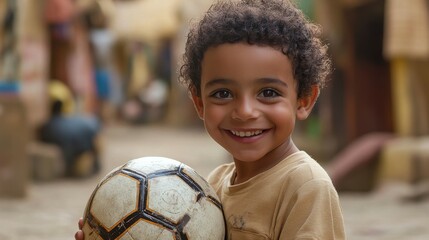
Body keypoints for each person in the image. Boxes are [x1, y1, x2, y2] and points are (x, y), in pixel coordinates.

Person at [75, 0, 345, 239]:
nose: (245, 111)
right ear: (199, 103)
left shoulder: (306, 187)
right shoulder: (208, 187)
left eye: (268, 92)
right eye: (223, 93)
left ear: (304, 100)